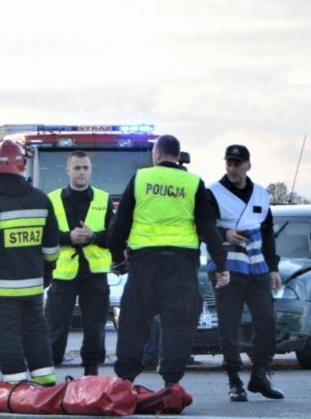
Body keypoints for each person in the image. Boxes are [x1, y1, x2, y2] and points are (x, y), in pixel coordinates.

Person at [109, 135, 229, 387]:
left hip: (144, 264)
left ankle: (124, 382)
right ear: (178, 155)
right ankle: (171, 384)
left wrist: (117, 258)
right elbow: (208, 227)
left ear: (157, 154)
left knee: (133, 323)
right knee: (178, 325)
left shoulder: (141, 178)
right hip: (181, 265)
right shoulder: (193, 183)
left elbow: (120, 224)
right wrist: (220, 264)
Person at [0, 140, 60, 385]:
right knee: (36, 332)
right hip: (33, 285)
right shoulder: (41, 200)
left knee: (6, 336)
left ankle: (16, 385)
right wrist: (47, 271)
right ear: (22, 166)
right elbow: (51, 246)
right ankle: (45, 382)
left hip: (0, 288)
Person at [208, 144, 284, 401]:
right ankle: (234, 380)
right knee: (229, 325)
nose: (232, 169)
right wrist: (224, 234)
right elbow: (202, 226)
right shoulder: (213, 192)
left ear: (248, 166)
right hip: (227, 267)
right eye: (229, 163)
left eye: (237, 164)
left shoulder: (261, 194)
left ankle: (260, 375)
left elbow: (267, 232)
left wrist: (273, 267)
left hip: (257, 266)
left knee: (267, 321)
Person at [46, 151, 117, 376]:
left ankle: (91, 371)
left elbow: (114, 236)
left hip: (94, 274)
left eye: (85, 168)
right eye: (77, 168)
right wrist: (69, 238)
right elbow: (45, 235)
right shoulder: (52, 199)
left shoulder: (103, 199)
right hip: (62, 273)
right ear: (68, 170)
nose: (82, 172)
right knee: (56, 326)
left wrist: (93, 236)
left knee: (95, 325)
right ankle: (49, 369)